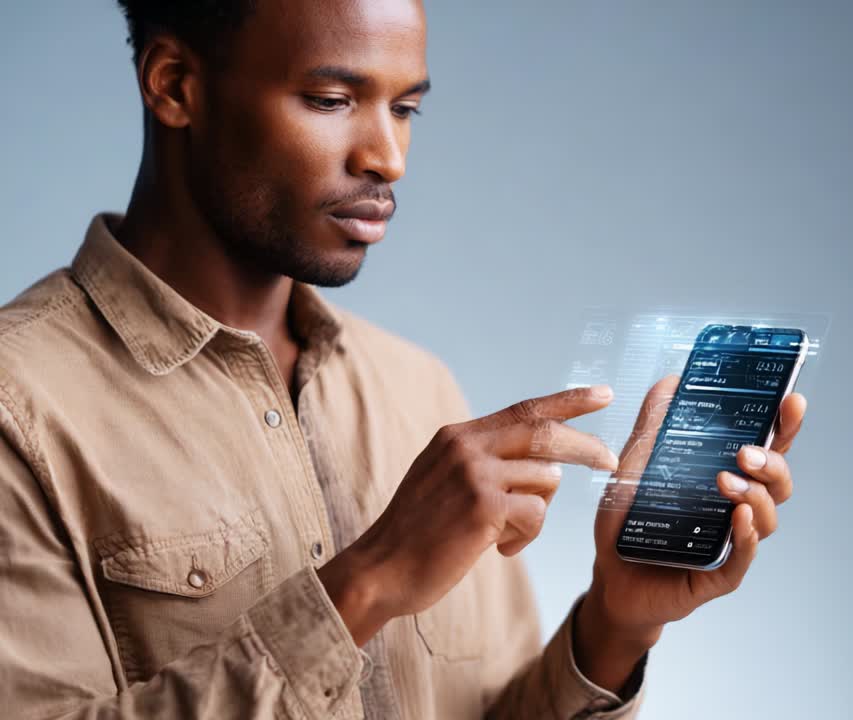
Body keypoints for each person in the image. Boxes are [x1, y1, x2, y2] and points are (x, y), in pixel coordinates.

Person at [0, 1, 808, 717]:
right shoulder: (20, 406)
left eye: (407, 107)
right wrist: (369, 581)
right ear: (176, 84)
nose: (389, 158)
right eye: (331, 99)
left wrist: (615, 628)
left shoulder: (419, 391)